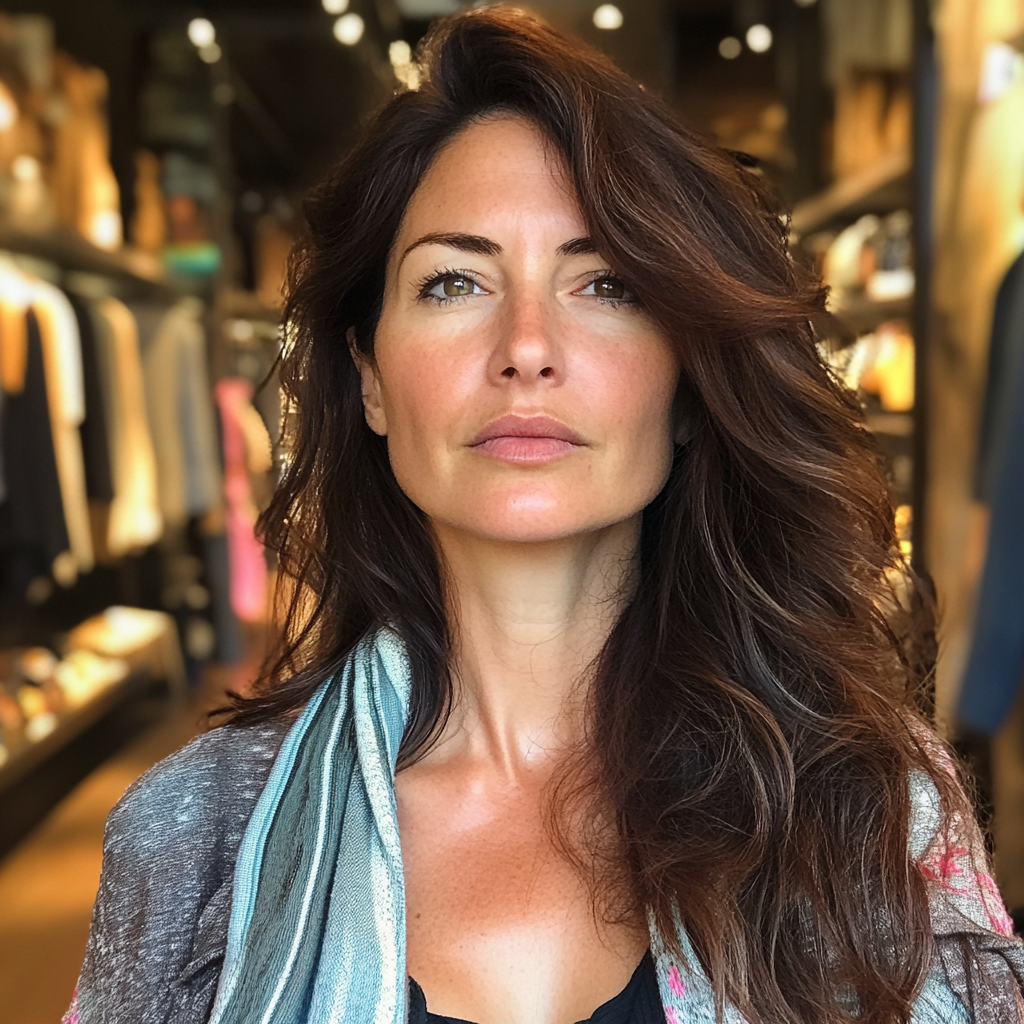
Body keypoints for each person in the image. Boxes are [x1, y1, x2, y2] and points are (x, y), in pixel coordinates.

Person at [67, 8, 1023, 1024]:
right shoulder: (195, 835)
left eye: (605, 282)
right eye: (454, 282)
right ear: (372, 378)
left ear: (687, 379)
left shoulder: (870, 801)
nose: (527, 345)